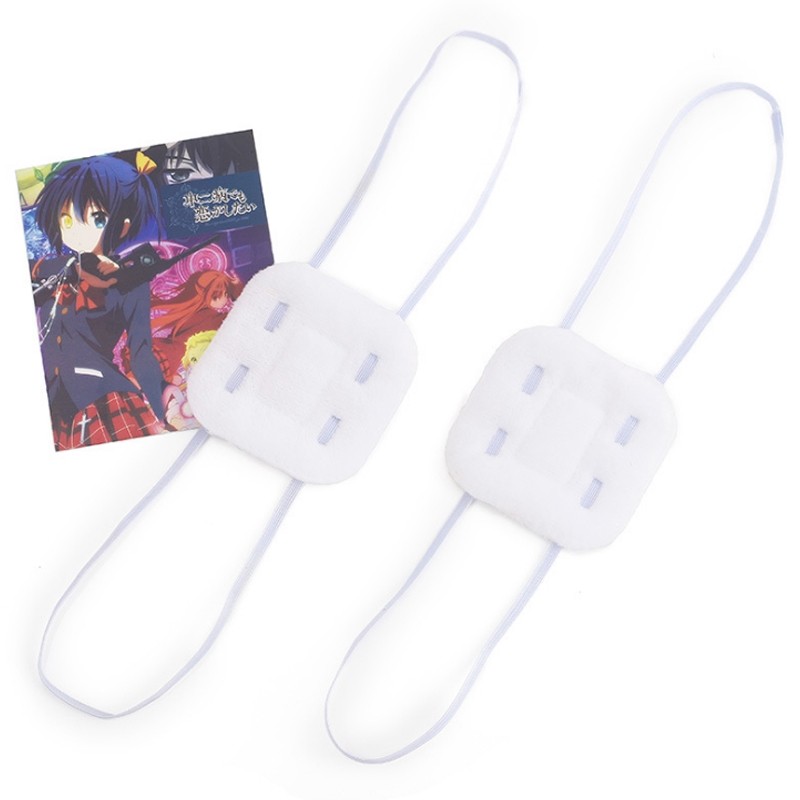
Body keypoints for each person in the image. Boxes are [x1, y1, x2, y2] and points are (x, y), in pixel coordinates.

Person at [31, 154, 167, 450]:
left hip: (101, 399)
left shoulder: (129, 282)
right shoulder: (55, 269)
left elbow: (141, 353)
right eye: (66, 219)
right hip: (53, 406)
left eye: (96, 219)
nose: (76, 230)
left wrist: (162, 406)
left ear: (122, 226)